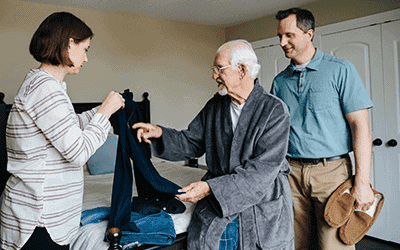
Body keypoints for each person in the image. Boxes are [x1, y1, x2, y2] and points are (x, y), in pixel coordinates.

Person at [132, 40, 294, 250]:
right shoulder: (215, 106)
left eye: (219, 68)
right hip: (219, 203)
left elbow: (261, 172)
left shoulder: (274, 111)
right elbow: (192, 142)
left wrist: (209, 188)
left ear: (242, 70)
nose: (214, 75)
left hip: (261, 207)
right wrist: (159, 133)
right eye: (214, 69)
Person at [0, 12, 125, 250]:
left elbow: (66, 128)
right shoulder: (46, 89)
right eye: (85, 49)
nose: (86, 58)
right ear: (69, 44)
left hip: (42, 216)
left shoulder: (45, 85)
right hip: (39, 219)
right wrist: (104, 114)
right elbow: (77, 153)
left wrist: (101, 110)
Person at [271, 8, 375, 250]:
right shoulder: (279, 81)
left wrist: (362, 182)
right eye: (279, 37)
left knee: (335, 244)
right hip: (291, 174)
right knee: (296, 244)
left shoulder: (340, 70)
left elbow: (360, 127)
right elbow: (273, 132)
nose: (282, 43)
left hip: (332, 173)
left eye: (289, 35)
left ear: (309, 34)